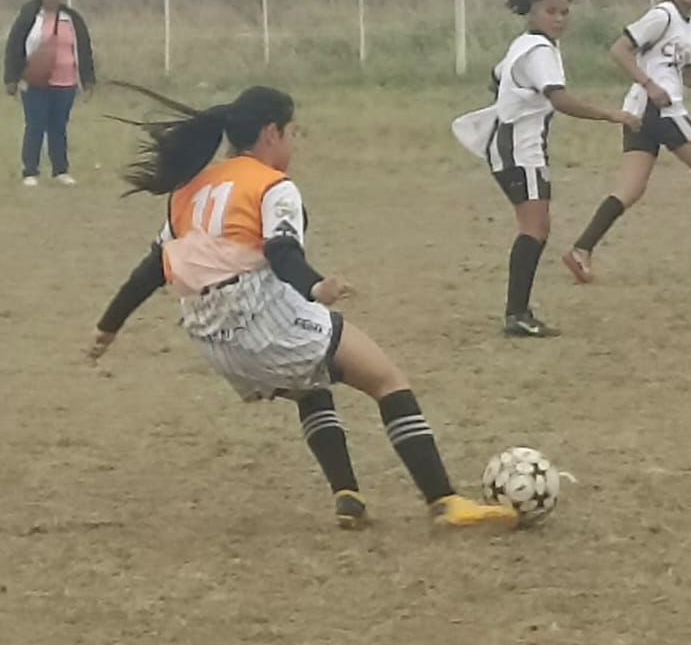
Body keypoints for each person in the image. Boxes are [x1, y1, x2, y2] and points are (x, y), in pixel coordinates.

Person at [90, 82, 518, 532]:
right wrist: (317, 286)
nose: (295, 143)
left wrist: (108, 327)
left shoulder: (190, 190)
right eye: (293, 132)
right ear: (271, 133)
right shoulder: (273, 186)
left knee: (310, 380)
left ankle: (347, 496)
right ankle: (445, 500)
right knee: (387, 379)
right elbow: (282, 251)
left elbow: (152, 267)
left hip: (211, 337)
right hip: (258, 316)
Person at [453, 0, 639, 338]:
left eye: (564, 12)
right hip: (520, 148)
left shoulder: (525, 45)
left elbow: (496, 76)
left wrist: (513, 96)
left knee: (536, 227)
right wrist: (610, 115)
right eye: (551, 11)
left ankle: (518, 312)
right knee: (535, 228)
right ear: (533, 12)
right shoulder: (539, 50)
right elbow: (559, 98)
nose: (559, 18)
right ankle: (517, 314)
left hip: (514, 145)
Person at [560, 0, 691, 283]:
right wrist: (650, 84)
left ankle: (581, 250)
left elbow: (686, 75)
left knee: (630, 189)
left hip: (641, 110)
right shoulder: (662, 15)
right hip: (657, 109)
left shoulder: (688, 25)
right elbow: (619, 50)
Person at [3, 0, 96, 187]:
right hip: (35, 81)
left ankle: (60, 170)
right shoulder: (29, 17)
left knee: (58, 127)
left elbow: (84, 49)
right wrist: (11, 78)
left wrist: (88, 80)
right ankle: (30, 171)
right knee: (35, 124)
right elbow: (14, 46)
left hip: (66, 81)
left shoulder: (72, 19)